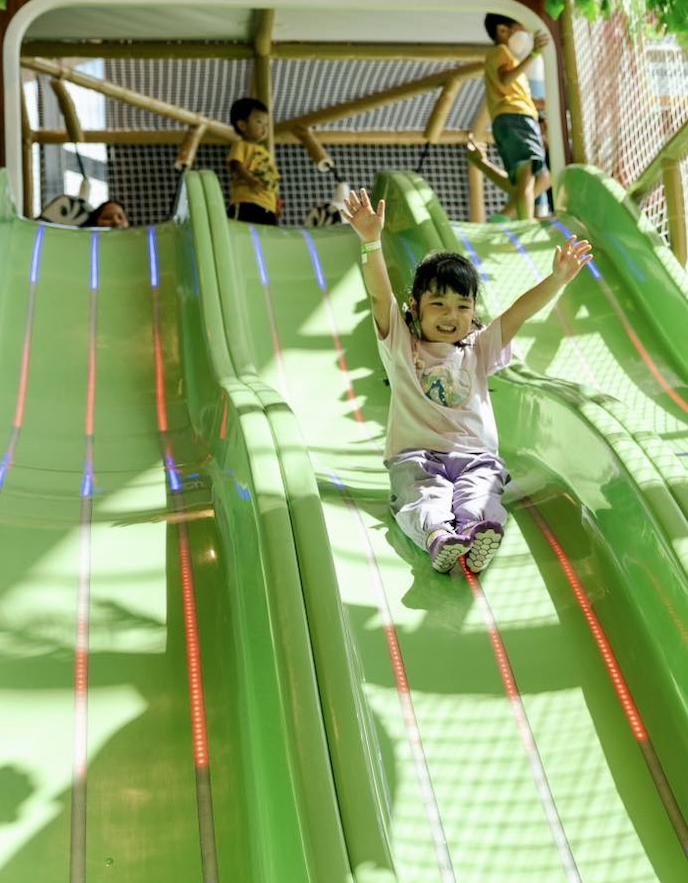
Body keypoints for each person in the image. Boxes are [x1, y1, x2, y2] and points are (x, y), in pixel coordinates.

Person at [342, 187, 592, 573]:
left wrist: (557, 279)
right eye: (438, 304)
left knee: (483, 493)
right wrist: (371, 242)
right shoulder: (401, 346)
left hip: (477, 458)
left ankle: (477, 532)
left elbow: (518, 313)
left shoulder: (478, 348)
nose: (450, 314)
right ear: (414, 308)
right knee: (423, 496)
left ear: (474, 310)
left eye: (462, 305)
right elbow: (379, 297)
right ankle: (438, 536)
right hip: (417, 456)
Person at [483, 14, 551, 221]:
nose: (526, 33)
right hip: (515, 118)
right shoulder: (501, 53)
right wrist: (534, 53)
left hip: (513, 119)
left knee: (545, 178)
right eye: (521, 28)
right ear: (503, 31)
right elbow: (506, 81)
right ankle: (525, 223)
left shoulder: (506, 59)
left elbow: (519, 94)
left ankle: (503, 217)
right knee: (527, 176)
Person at [227, 97, 281, 225]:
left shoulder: (265, 152)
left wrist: (277, 201)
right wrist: (249, 178)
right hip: (247, 201)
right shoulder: (241, 145)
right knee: (244, 230)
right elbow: (236, 165)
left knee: (268, 236)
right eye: (259, 122)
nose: (264, 128)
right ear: (242, 125)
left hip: (268, 205)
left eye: (266, 124)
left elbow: (272, 179)